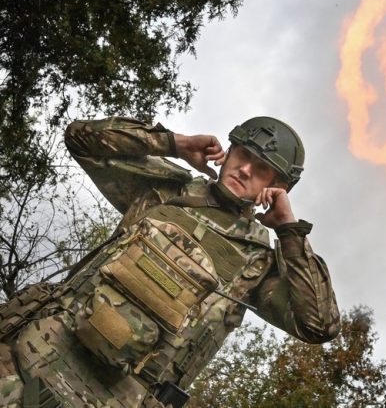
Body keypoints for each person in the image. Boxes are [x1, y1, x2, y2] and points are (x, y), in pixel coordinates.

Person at [0, 116, 340, 407]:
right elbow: (81, 139)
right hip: (25, 358)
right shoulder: (168, 189)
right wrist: (173, 143)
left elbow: (318, 326)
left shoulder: (258, 262)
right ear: (229, 152)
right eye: (242, 155)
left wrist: (289, 232)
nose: (246, 169)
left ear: (277, 186)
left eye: (262, 169)